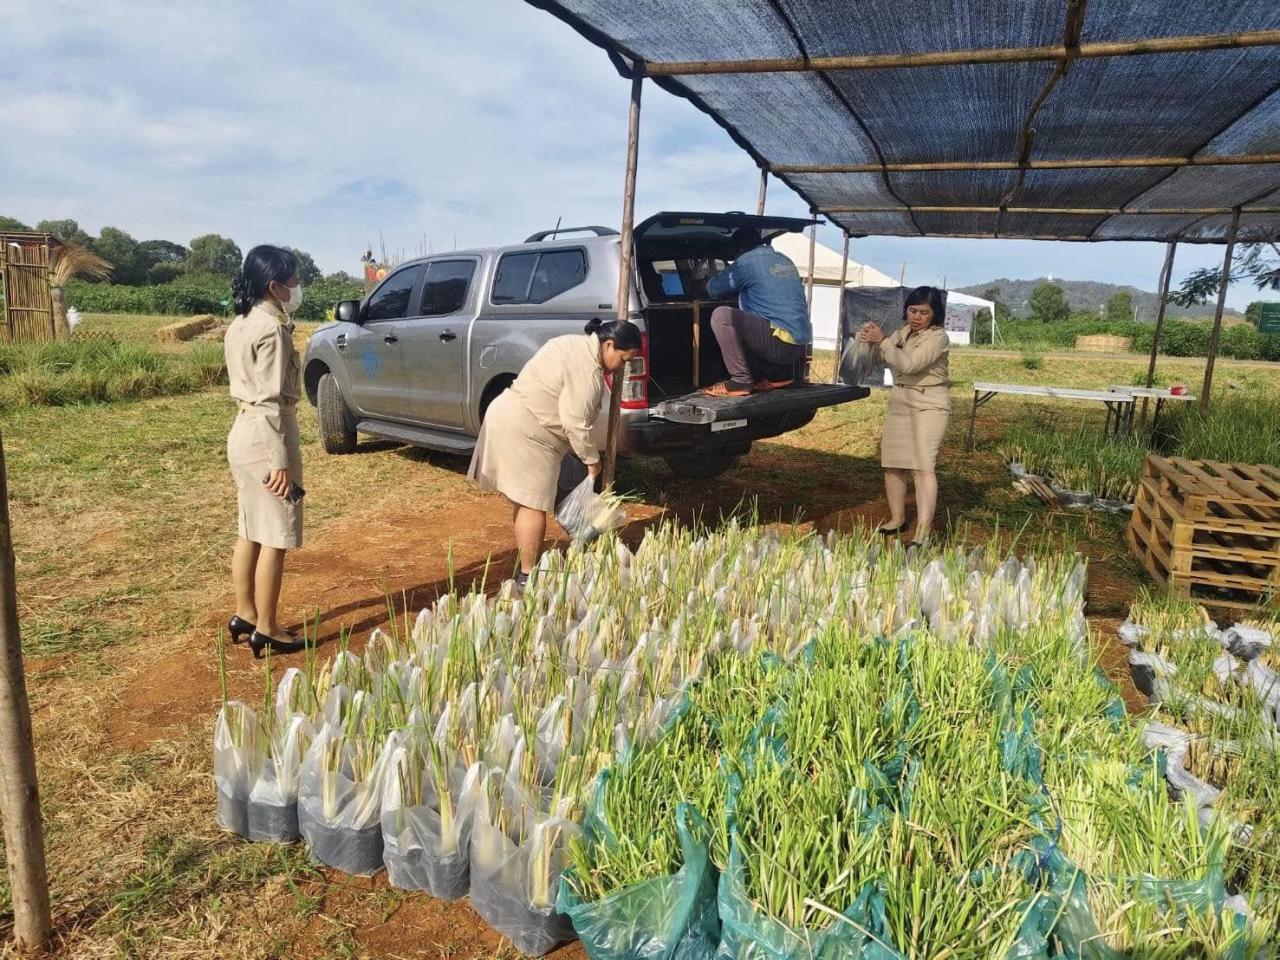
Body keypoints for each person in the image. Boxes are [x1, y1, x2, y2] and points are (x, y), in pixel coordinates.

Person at [468, 318, 642, 586]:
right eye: (623, 358)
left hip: (520, 421)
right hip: (525, 429)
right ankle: (528, 576)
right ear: (608, 345)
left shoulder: (574, 346)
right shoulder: (587, 369)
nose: (623, 366)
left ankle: (585, 544)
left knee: (549, 492)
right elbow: (574, 420)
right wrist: (592, 459)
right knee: (532, 503)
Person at [225, 245, 307, 658]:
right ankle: (269, 627)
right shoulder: (272, 329)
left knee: (249, 529)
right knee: (275, 534)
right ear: (274, 286)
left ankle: (245, 612)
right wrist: (280, 462)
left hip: (243, 432)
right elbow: (271, 401)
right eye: (293, 281)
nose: (298, 287)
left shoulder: (240, 321)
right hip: (268, 435)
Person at [857, 286, 951, 548]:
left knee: (922, 467)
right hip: (901, 401)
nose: (917, 317)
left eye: (924, 312)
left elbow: (910, 364)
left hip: (929, 404)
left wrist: (883, 340)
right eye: (912, 310)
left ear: (935, 314)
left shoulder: (938, 338)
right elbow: (880, 358)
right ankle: (897, 518)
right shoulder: (904, 332)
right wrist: (870, 341)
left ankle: (923, 529)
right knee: (893, 464)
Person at [701, 228, 811, 397]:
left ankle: (740, 381)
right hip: (796, 351)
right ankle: (777, 377)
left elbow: (714, 289)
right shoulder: (783, 260)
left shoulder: (746, 262)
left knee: (722, 316)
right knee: (753, 318)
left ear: (738, 250)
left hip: (777, 342)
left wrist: (701, 280)